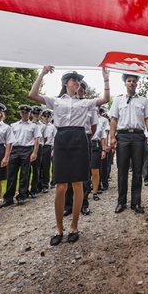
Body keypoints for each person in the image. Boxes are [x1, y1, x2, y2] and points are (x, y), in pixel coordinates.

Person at [29, 66, 110, 245]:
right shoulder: (56, 101)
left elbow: (105, 99)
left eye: (78, 80)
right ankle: (59, 228)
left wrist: (105, 79)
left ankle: (74, 225)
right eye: (73, 79)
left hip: (80, 139)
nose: (77, 81)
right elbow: (33, 95)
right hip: (62, 140)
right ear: (65, 83)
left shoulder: (85, 102)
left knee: (78, 184)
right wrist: (42, 73)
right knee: (61, 186)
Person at [109, 74, 148, 214]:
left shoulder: (144, 101)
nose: (131, 83)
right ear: (125, 83)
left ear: (137, 84)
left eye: (134, 81)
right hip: (122, 136)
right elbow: (114, 119)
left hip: (138, 136)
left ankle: (136, 202)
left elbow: (147, 118)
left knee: (137, 170)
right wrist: (112, 137)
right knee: (122, 170)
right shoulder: (118, 100)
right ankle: (121, 202)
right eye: (129, 81)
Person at [63, 80, 97, 216]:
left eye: (82, 89)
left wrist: (86, 137)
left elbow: (93, 127)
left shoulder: (89, 106)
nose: (79, 91)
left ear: (84, 91)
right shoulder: (67, 103)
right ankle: (68, 205)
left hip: (84, 138)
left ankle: (84, 203)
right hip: (69, 139)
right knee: (67, 174)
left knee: (84, 174)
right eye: (78, 88)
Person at [0, 105, 40, 207]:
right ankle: (8, 198)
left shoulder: (34, 126)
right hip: (15, 150)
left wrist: (35, 152)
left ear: (29, 114)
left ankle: (22, 195)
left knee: (24, 174)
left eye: (27, 113)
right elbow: (9, 139)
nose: (25, 114)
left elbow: (36, 140)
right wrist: (7, 153)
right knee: (11, 174)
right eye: (23, 112)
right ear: (20, 113)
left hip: (27, 149)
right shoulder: (13, 125)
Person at [28, 106, 46, 198]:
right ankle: (24, 190)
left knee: (36, 169)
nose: (36, 115)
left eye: (38, 114)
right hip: (29, 147)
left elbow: (44, 138)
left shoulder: (43, 125)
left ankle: (34, 189)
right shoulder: (28, 124)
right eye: (34, 113)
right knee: (26, 170)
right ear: (31, 114)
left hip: (39, 147)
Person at [38, 108, 56, 193]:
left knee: (46, 166)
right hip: (40, 146)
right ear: (42, 117)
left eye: (48, 116)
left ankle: (45, 184)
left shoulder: (52, 127)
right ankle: (38, 184)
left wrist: (53, 149)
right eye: (44, 116)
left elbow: (55, 138)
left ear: (50, 117)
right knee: (38, 166)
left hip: (48, 147)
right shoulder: (39, 126)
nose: (46, 118)